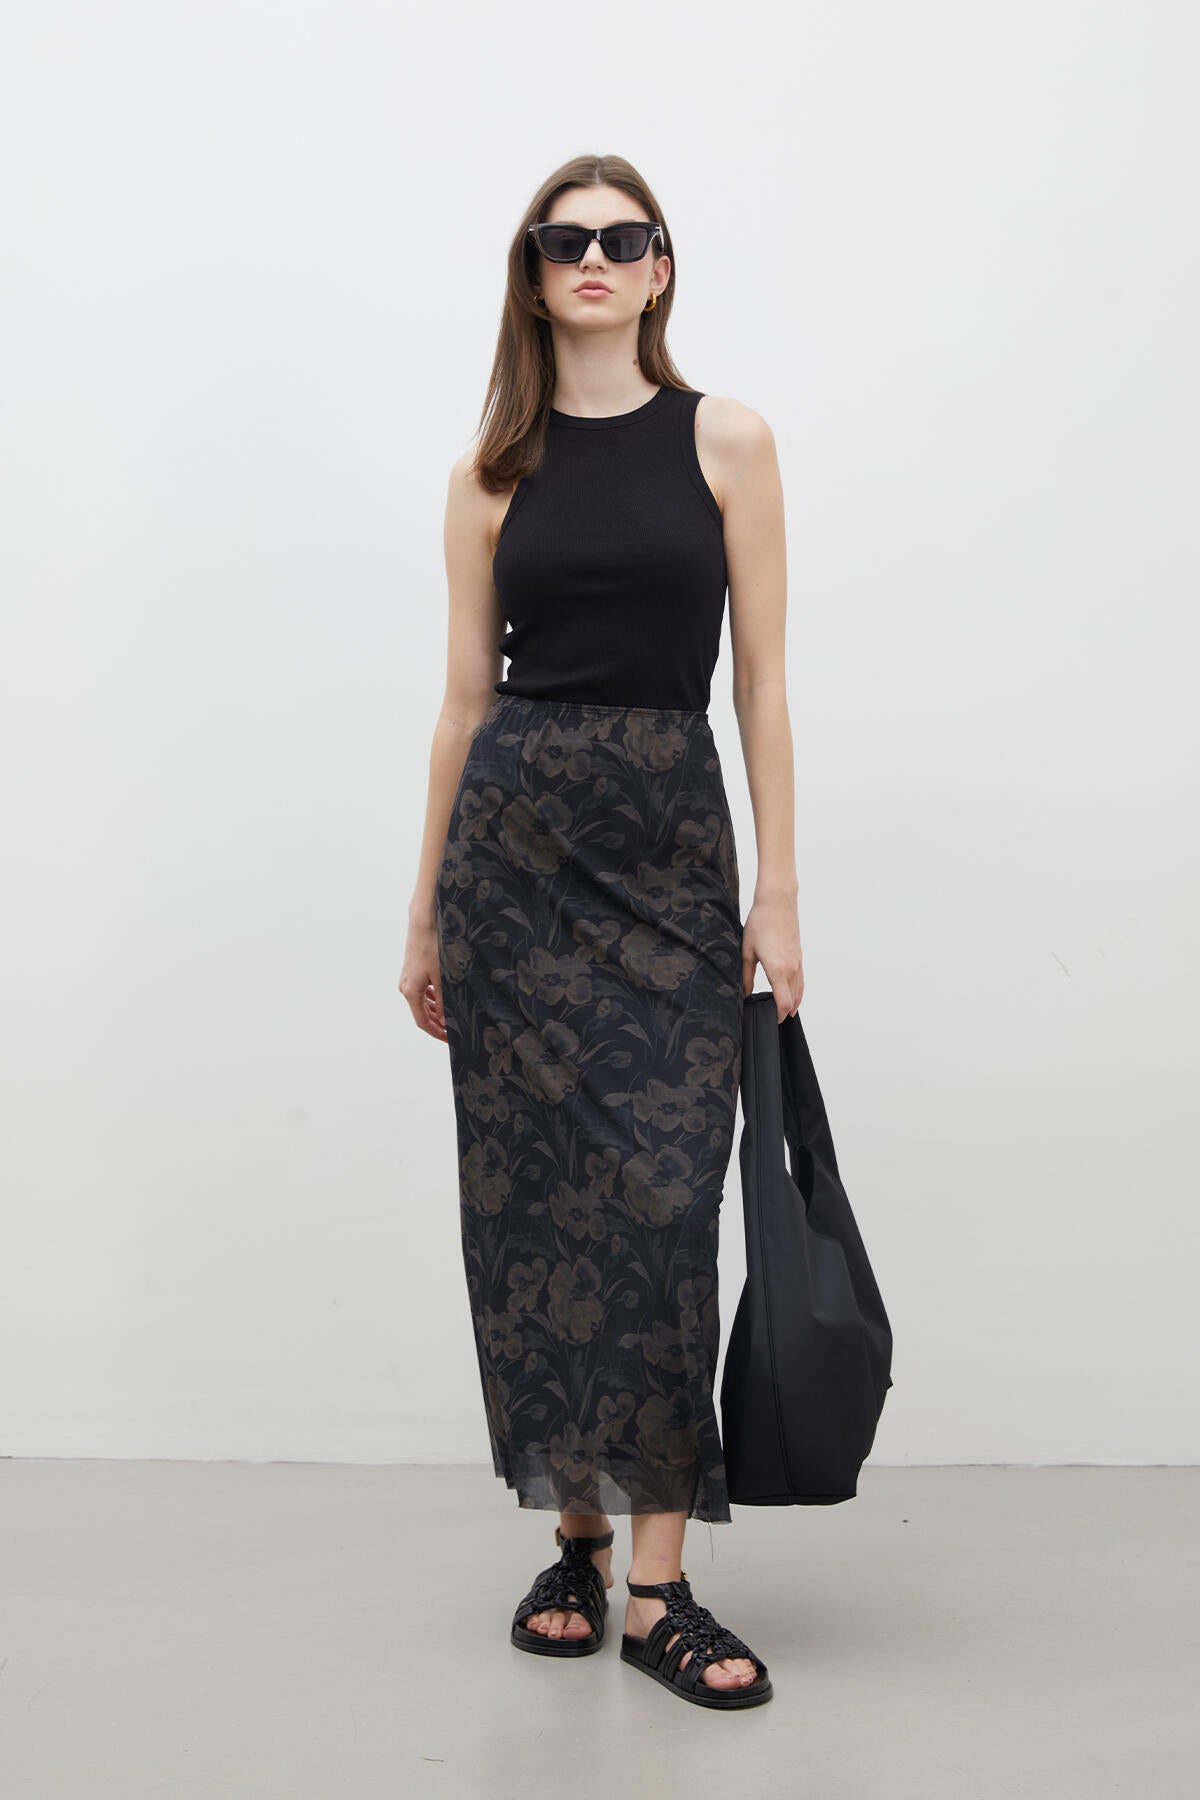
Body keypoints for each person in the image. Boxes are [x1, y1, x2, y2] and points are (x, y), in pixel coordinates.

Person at [399, 153, 802, 1712]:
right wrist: (425, 907)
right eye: (563, 240)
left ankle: (661, 1585)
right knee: (538, 1213)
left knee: (662, 1206)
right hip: (512, 858)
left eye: (621, 239)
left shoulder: (727, 439)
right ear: (532, 271)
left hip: (669, 844)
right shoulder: (489, 471)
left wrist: (778, 889)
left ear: (659, 268)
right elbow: (461, 704)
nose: (593, 259)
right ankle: (576, 1543)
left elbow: (760, 682)